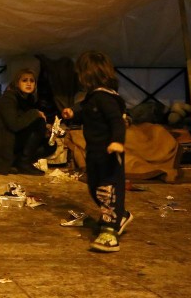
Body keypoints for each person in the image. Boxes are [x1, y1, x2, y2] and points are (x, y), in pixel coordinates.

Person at [62, 50, 132, 253]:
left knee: (108, 192)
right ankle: (120, 215)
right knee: (94, 188)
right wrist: (72, 113)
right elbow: (85, 110)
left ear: (87, 74)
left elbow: (116, 121)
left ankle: (110, 231)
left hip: (109, 153)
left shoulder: (106, 98)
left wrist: (117, 142)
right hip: (94, 152)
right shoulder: (93, 98)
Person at [0, 67, 54, 175]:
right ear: (17, 83)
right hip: (2, 140)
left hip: (14, 137)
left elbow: (26, 122)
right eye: (24, 80)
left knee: (50, 145)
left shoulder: (28, 99)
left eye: (32, 81)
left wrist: (45, 130)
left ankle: (18, 161)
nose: (29, 83)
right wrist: (35, 114)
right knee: (39, 122)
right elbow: (14, 124)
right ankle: (24, 163)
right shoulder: (8, 98)